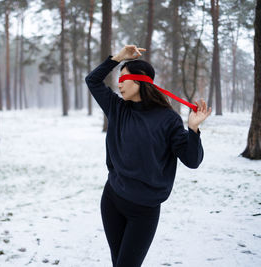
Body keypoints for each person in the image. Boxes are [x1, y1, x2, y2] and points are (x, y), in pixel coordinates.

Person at [85, 45, 212, 267]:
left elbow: (192, 161)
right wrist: (117, 59)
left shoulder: (167, 119)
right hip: (112, 199)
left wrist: (193, 130)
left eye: (124, 79)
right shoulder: (117, 108)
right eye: (119, 80)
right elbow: (92, 81)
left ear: (141, 81)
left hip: (143, 211)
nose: (119, 84)